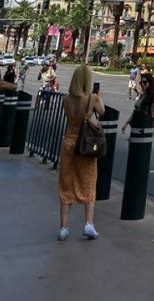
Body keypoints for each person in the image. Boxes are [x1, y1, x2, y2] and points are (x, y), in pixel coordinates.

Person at [57, 64, 105, 241]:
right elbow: (102, 112)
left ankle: (63, 227)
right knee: (89, 181)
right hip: (85, 144)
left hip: (69, 142)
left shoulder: (66, 99)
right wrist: (99, 97)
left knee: (66, 183)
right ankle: (89, 224)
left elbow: (69, 118)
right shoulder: (91, 98)